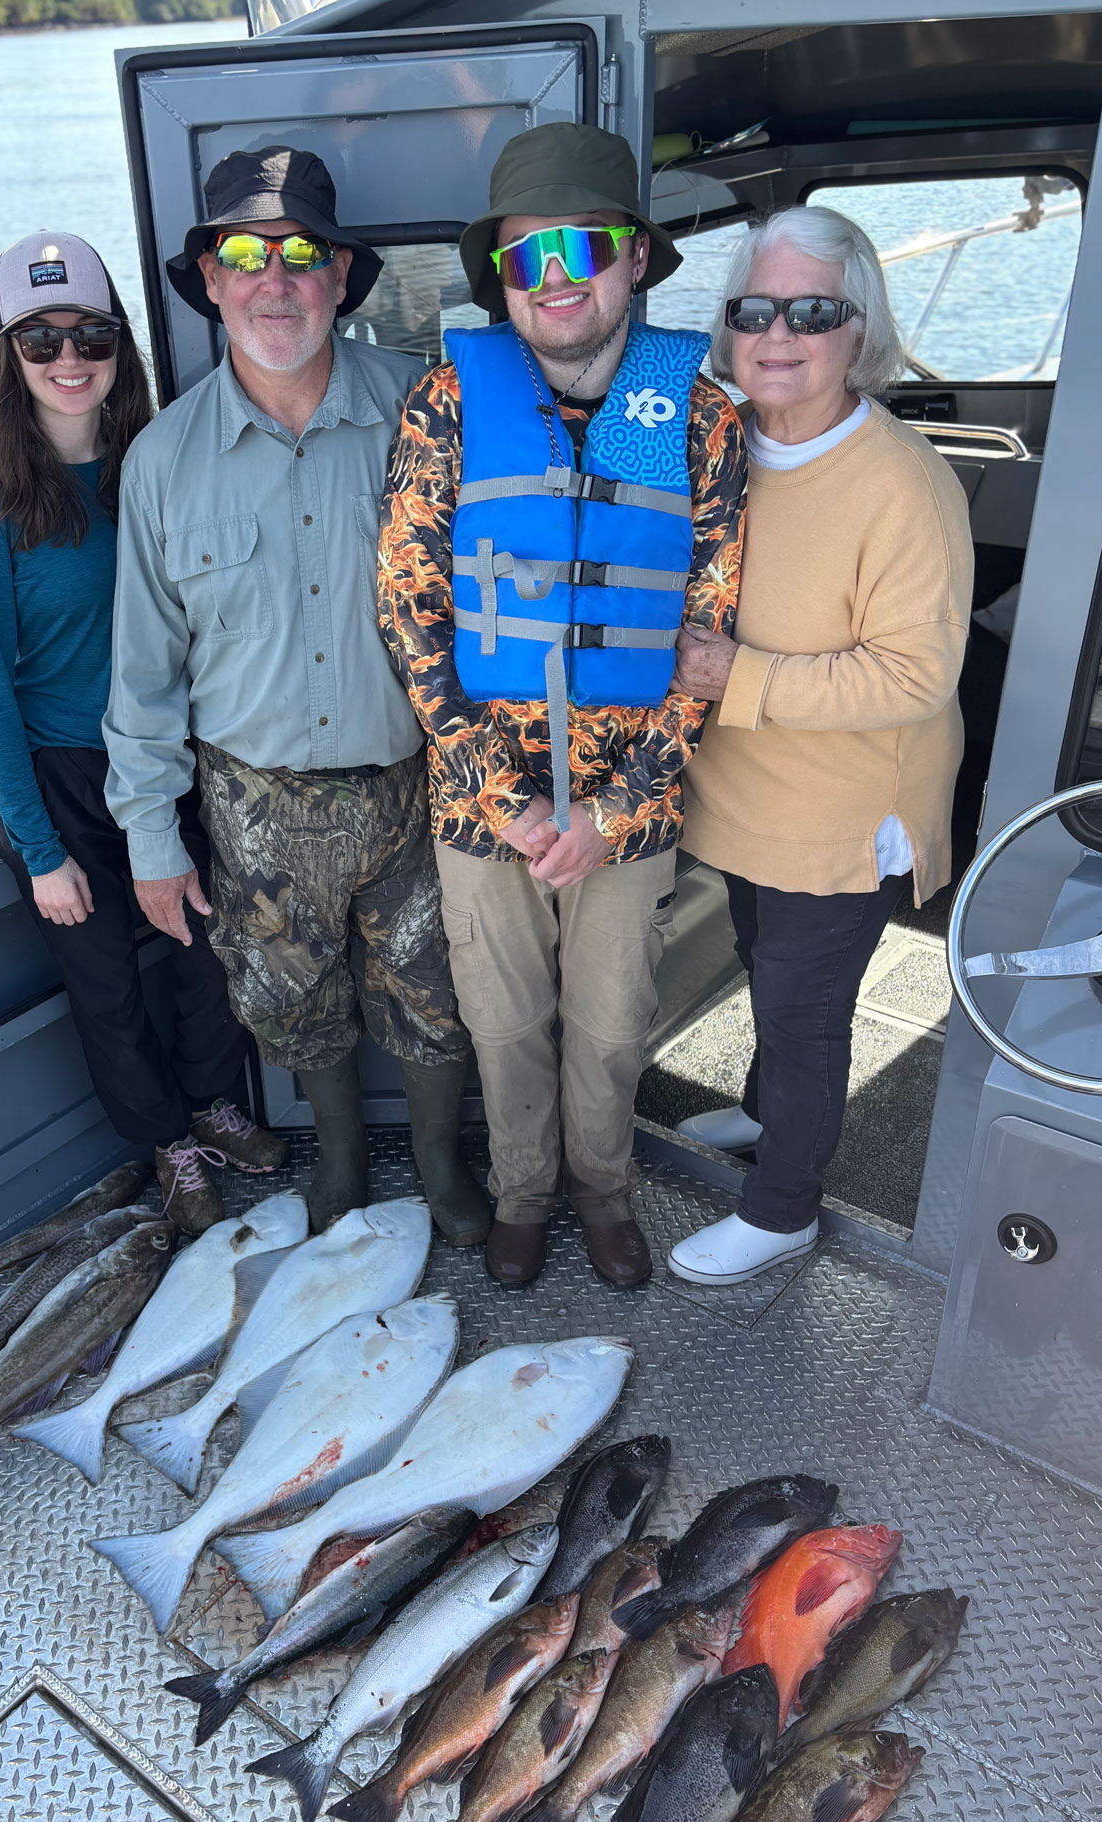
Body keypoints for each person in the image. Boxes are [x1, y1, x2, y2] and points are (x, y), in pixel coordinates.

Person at [379, 125, 746, 1291]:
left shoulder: (702, 419)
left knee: (610, 1025)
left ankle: (604, 1193)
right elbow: (408, 611)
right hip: (485, 811)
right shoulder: (447, 401)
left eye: (584, 246)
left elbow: (709, 642)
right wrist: (513, 802)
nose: (557, 278)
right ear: (502, 280)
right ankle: (524, 1196)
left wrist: (608, 808)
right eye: (528, 256)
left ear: (636, 257)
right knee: (501, 1025)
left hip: (628, 815)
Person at [103, 149, 488, 1243]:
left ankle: (436, 1163)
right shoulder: (163, 460)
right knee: (289, 1000)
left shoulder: (425, 411)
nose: (274, 279)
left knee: (434, 990)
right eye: (243, 254)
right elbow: (142, 670)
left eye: (302, 254)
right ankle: (340, 1164)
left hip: (416, 783)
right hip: (253, 799)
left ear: (340, 279)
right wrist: (149, 839)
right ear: (212, 283)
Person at [0, 230, 284, 1239]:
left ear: (120, 342)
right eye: (39, 339)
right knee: (106, 986)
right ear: (9, 356)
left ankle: (216, 1107)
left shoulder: (158, 460)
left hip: (170, 759)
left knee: (207, 952)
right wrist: (41, 851)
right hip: (61, 780)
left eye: (89, 332)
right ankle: (166, 1144)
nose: (67, 357)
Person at [667, 205, 973, 1283]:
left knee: (804, 1010)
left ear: (860, 331)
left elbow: (915, 675)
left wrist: (729, 676)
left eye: (814, 310)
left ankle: (783, 1205)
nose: (779, 332)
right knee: (766, 971)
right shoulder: (718, 445)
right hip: (744, 797)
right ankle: (765, 1120)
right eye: (756, 308)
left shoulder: (904, 483)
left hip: (846, 810)